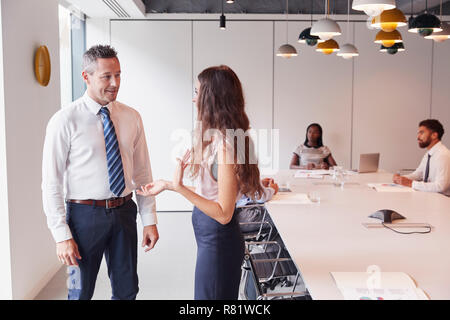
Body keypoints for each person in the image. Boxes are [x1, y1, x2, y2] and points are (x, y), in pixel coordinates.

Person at [42, 45, 159, 300]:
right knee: (79, 292)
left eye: (118, 75)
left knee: (127, 291)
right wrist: (61, 235)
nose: (115, 83)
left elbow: (142, 174)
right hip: (83, 218)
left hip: (124, 213)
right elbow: (51, 183)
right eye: (106, 76)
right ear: (86, 76)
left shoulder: (131, 117)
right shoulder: (64, 120)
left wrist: (149, 218)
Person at [137, 65, 263, 300]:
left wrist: (180, 188)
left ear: (211, 99)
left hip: (218, 242)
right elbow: (215, 193)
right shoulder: (220, 139)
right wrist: (168, 184)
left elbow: (224, 213)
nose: (194, 99)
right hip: (214, 241)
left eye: (197, 92)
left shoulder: (225, 146)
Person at [393, 119, 450, 196]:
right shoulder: (429, 154)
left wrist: (411, 183)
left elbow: (441, 186)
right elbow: (418, 174)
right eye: (418, 133)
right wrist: (401, 179)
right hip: (431, 196)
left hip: (443, 200)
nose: (418, 137)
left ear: (434, 135)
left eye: (421, 133)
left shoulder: (443, 155)